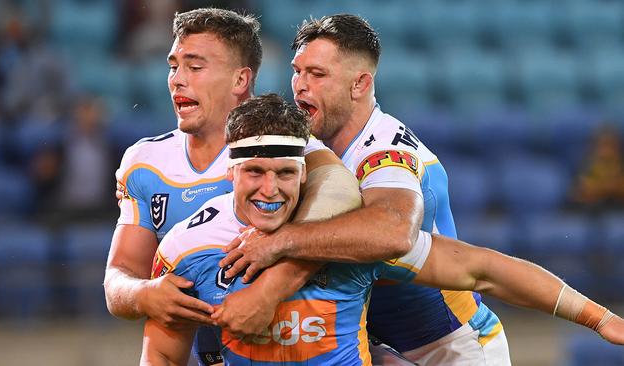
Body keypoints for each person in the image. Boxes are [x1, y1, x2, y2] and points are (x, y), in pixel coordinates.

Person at [142, 93, 624, 366]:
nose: (270, 189)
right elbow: (162, 353)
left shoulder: (346, 239)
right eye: (255, 172)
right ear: (230, 171)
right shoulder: (187, 245)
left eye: (285, 173)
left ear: (305, 173)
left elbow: (482, 270)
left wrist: (598, 319)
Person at [215, 14, 500, 364]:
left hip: (447, 345)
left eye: (317, 74)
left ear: (360, 85)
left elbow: (393, 232)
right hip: (374, 341)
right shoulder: (308, 146)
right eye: (297, 70)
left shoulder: (384, 150)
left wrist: (279, 241)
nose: (300, 85)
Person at [104, 8, 368, 366]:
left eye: (195, 67)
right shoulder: (144, 162)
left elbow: (341, 191)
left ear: (240, 80)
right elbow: (118, 278)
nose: (177, 80)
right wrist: (143, 294)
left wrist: (272, 277)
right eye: (173, 66)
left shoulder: (284, 147)